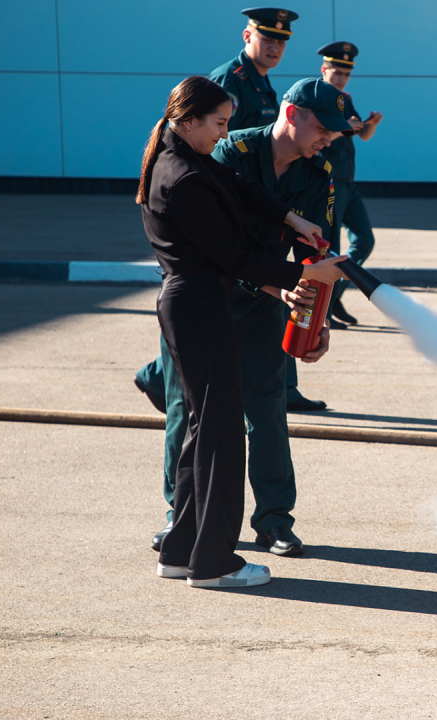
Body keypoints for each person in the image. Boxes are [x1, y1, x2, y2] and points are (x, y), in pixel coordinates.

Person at [138, 75, 346, 587]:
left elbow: (241, 189)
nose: (225, 133)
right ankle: (214, 562)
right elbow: (232, 256)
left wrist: (293, 222)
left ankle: (182, 550)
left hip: (200, 303)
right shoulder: (185, 176)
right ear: (190, 121)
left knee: (205, 429)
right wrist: (301, 277)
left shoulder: (189, 160)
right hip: (203, 304)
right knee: (221, 434)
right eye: (219, 124)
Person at [317, 41, 383, 328]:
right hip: (328, 182)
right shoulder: (316, 96)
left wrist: (370, 125)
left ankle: (336, 295)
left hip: (348, 182)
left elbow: (361, 135)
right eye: (336, 72)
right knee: (331, 248)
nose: (342, 78)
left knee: (365, 241)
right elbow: (313, 138)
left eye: (346, 73)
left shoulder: (344, 98)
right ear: (324, 69)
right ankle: (324, 310)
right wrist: (345, 128)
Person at [209, 7, 297, 132]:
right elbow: (216, 139)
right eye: (267, 40)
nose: (275, 48)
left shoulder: (261, 80)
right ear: (247, 36)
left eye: (281, 42)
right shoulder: (229, 79)